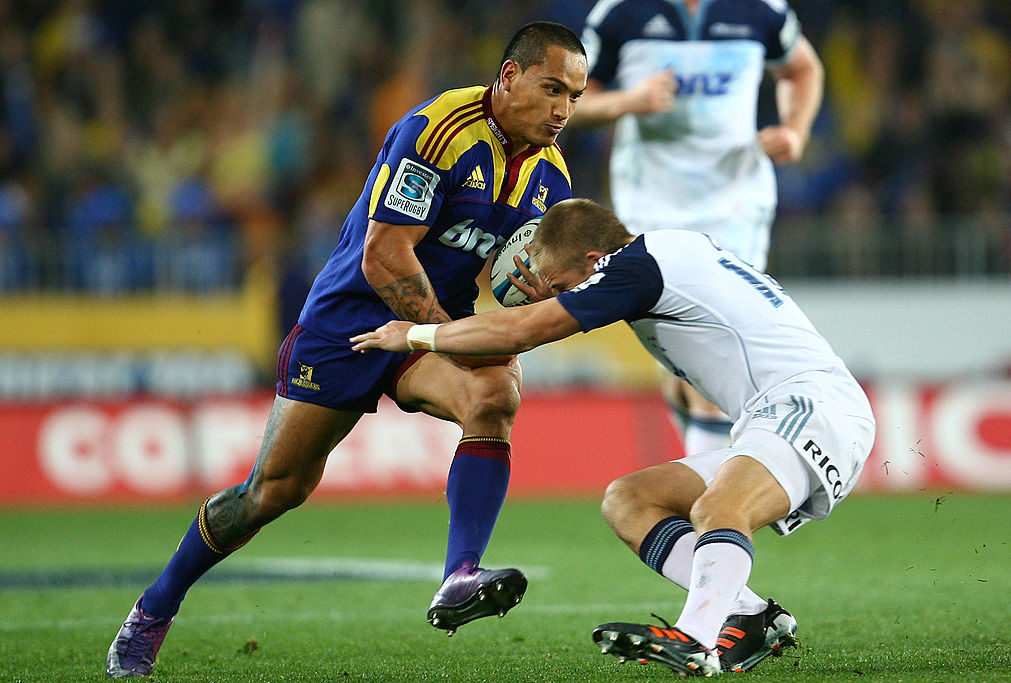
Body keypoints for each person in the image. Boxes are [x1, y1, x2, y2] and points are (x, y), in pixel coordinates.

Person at [105, 22, 588, 678]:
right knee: (273, 491)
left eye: (576, 98)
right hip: (350, 322)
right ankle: (153, 608)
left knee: (495, 391)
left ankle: (459, 575)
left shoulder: (551, 180)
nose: (563, 110)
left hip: (424, 332)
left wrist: (537, 286)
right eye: (552, 88)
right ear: (508, 77)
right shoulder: (437, 131)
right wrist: (446, 335)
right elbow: (386, 255)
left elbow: (538, 277)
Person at [351, 197, 876, 677]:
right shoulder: (659, 259)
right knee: (630, 501)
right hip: (781, 415)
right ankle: (749, 615)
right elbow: (543, 318)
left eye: (561, 284)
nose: (561, 297)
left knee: (720, 509)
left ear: (594, 258)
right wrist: (547, 300)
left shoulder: (639, 267)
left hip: (810, 406)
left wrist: (415, 334)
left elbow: (522, 332)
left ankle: (696, 638)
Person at [570, 0, 825, 458]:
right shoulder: (619, 13)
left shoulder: (762, 11)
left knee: (715, 351)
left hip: (735, 205)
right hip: (650, 206)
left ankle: (706, 504)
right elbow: (572, 101)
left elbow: (801, 69)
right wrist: (629, 101)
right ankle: (706, 478)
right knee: (682, 366)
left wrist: (795, 130)